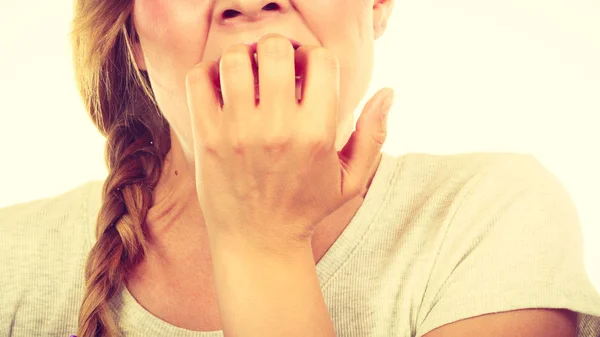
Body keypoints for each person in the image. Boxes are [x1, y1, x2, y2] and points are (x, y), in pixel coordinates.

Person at [1, 0, 599, 336]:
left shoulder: (489, 217)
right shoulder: (11, 260)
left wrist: (262, 243)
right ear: (131, 33)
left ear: (377, 5)